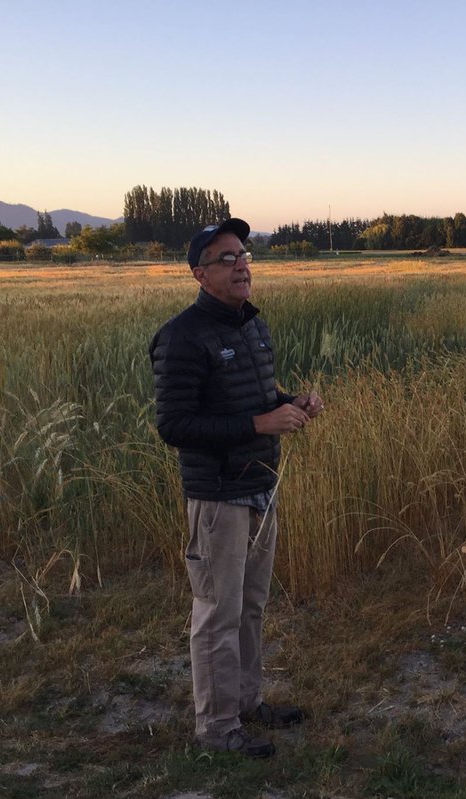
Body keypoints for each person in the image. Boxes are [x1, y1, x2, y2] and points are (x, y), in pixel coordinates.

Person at [149, 217, 323, 758]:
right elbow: (174, 426)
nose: (241, 265)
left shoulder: (252, 326)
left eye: (244, 255)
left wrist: (292, 404)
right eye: (226, 258)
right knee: (217, 612)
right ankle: (217, 727)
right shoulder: (182, 337)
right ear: (200, 274)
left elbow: (258, 398)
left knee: (250, 605)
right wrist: (260, 424)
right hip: (218, 495)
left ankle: (247, 703)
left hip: (261, 484)